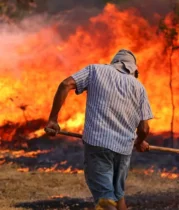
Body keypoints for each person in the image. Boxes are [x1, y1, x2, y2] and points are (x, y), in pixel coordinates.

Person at [44, 49, 153, 210]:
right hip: (124, 149)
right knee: (118, 195)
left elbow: (66, 84)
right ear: (133, 69)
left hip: (99, 144)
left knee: (105, 198)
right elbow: (144, 128)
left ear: (114, 63)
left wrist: (53, 119)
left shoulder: (95, 70)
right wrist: (140, 141)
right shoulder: (139, 87)